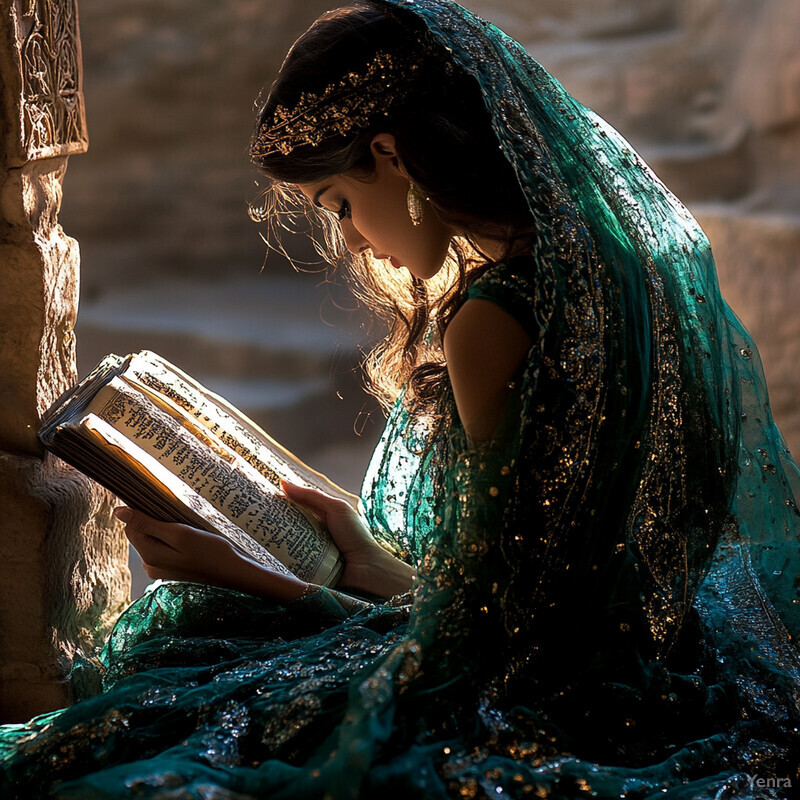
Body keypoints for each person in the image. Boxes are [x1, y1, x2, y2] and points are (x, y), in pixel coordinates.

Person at [2, 0, 800, 797]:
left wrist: (268, 583)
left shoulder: (494, 321)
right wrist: (363, 558)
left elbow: (487, 646)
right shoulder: (627, 261)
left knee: (179, 666)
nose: (352, 241)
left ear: (391, 153)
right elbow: (536, 582)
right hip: (677, 655)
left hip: (552, 700)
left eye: (341, 206)